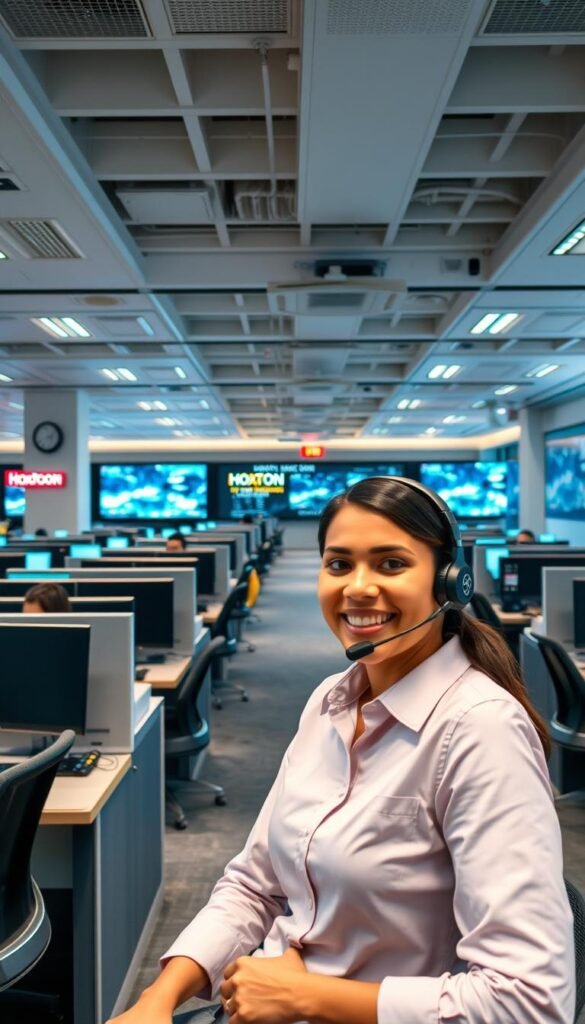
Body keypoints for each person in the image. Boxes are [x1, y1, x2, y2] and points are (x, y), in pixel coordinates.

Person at [107, 476, 574, 1024]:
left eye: (391, 564)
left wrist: (310, 997)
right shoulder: (330, 701)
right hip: (261, 1005)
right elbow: (254, 885)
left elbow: (531, 1003)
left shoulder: (480, 732)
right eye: (338, 564)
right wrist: (156, 999)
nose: (358, 587)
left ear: (449, 582)